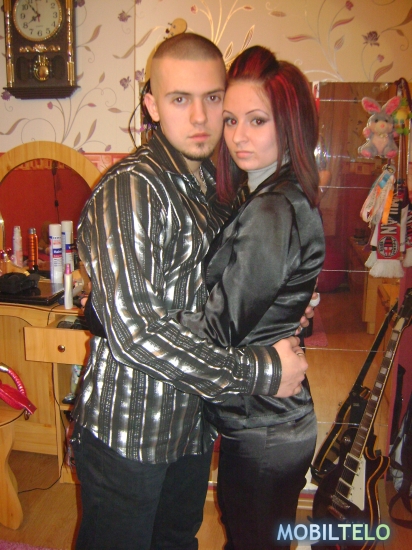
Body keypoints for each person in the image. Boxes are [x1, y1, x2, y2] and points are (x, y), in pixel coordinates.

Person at [72, 33, 310, 550]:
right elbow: (138, 333)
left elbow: (223, 299)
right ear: (152, 106)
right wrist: (262, 372)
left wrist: (281, 306)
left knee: (177, 540)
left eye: (213, 97)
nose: (200, 117)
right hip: (130, 433)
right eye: (180, 99)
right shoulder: (131, 190)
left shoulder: (216, 190)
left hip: (193, 425)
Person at [177, 46, 325, 549]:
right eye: (232, 119)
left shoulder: (271, 209)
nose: (238, 135)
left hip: (264, 425)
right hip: (270, 419)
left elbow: (218, 327)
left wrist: (128, 320)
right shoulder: (274, 195)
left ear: (289, 126)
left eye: (257, 121)